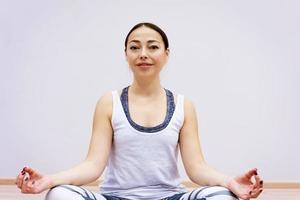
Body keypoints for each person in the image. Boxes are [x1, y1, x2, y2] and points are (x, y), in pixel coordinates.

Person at [15, 22, 263, 200]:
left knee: (223, 196)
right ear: (126, 55)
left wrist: (230, 182)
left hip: (169, 197)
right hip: (115, 197)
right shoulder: (108, 102)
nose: (143, 54)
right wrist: (50, 179)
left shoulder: (183, 105)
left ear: (166, 54)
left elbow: (197, 168)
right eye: (134, 47)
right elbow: (93, 165)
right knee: (59, 195)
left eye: (152, 47)